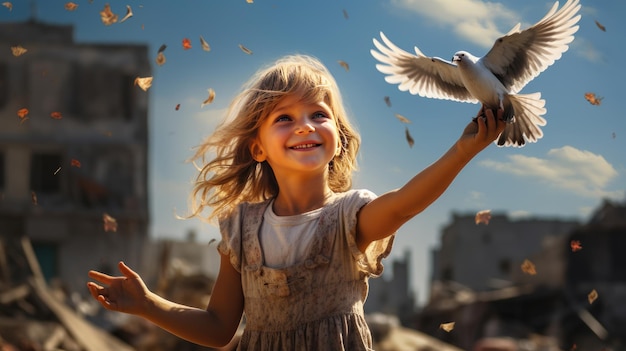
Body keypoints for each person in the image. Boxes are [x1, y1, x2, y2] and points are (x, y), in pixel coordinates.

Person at [87, 54, 505, 350]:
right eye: (284, 118)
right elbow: (218, 328)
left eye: (318, 115)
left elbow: (403, 204)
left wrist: (462, 151)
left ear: (338, 137)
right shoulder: (241, 228)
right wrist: (149, 306)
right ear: (258, 149)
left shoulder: (349, 216)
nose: (304, 126)